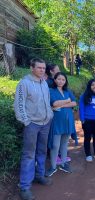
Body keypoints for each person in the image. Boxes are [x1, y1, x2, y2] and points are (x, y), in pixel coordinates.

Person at [14, 58, 54, 200]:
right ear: (32, 68)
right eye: (39, 68)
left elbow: (47, 102)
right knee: (29, 154)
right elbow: (19, 105)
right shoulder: (24, 83)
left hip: (45, 123)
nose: (42, 70)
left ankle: (39, 175)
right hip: (32, 124)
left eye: (43, 68)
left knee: (42, 151)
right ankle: (24, 187)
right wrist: (26, 122)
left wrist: (49, 115)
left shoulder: (44, 83)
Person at [45, 72, 77, 177]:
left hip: (68, 121)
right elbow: (54, 103)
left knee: (64, 143)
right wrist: (67, 101)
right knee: (55, 145)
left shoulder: (67, 91)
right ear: (55, 80)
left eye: (63, 79)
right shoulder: (51, 90)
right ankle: (53, 167)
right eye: (59, 79)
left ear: (65, 81)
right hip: (57, 121)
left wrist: (62, 104)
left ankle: (63, 163)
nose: (61, 81)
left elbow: (74, 103)